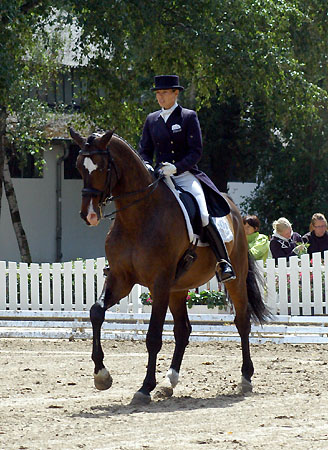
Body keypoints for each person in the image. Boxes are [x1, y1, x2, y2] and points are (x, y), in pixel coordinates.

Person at [138, 74, 235, 282]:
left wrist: (176, 167)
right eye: (158, 93)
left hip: (184, 175)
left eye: (164, 93)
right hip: (159, 177)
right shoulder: (152, 119)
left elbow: (196, 151)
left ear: (175, 93)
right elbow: (144, 150)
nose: (160, 97)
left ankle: (223, 261)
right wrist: (147, 165)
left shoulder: (188, 117)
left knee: (203, 213)